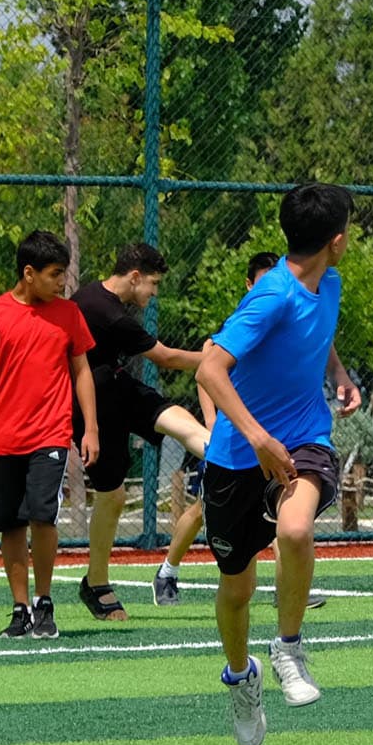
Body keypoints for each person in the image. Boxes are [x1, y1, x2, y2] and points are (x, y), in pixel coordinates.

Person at [197, 186, 361, 745]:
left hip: (306, 440)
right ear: (336, 240)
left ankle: (288, 646)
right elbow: (210, 371)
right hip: (236, 458)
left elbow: (319, 334)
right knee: (236, 590)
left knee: (295, 529)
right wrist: (258, 437)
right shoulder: (270, 297)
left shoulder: (330, 283)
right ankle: (242, 679)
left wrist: (337, 372)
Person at [0, 230, 97, 639]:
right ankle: (20, 608)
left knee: (43, 517)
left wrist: (90, 427)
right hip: (4, 438)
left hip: (51, 434)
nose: (62, 282)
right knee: (11, 525)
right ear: (29, 273)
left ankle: (44, 602)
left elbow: (81, 371)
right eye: (55, 274)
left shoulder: (68, 314)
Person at [70, 241, 213, 621]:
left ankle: (221, 454)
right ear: (134, 277)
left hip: (119, 388)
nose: (154, 291)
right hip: (92, 409)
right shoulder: (111, 315)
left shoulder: (90, 295)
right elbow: (167, 358)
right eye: (152, 283)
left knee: (174, 416)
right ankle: (96, 583)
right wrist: (224, 359)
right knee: (113, 496)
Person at [151, 248, 273, 609]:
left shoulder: (280, 329)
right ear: (249, 284)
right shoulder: (233, 327)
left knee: (281, 503)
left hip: (266, 440)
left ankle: (289, 584)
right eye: (262, 284)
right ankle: (167, 572)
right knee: (204, 509)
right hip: (231, 444)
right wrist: (212, 421)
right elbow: (206, 373)